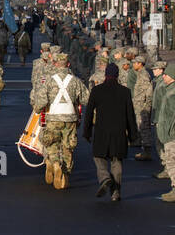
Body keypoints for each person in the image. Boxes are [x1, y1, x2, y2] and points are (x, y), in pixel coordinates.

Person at [32, 50, 89, 189]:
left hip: (53, 117)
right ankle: (65, 173)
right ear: (68, 64)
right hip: (70, 118)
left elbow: (40, 101)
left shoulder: (50, 81)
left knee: (51, 143)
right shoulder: (75, 81)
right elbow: (86, 99)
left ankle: (55, 164)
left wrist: (37, 109)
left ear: (56, 64)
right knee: (68, 146)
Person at [83, 62, 137, 202]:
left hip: (101, 131)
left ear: (105, 74)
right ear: (117, 75)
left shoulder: (97, 90)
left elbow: (89, 113)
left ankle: (105, 177)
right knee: (116, 161)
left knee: (99, 158)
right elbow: (130, 115)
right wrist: (133, 135)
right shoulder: (125, 92)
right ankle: (116, 192)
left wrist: (87, 132)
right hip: (119, 132)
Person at [154, 63, 175, 203]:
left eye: (166, 74)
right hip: (168, 131)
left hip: (173, 132)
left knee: (174, 161)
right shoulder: (170, 89)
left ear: (172, 76)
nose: (164, 76)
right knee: (171, 160)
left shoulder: (174, 92)